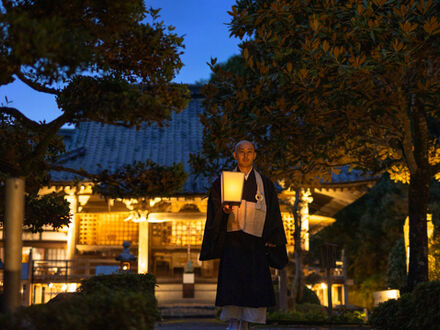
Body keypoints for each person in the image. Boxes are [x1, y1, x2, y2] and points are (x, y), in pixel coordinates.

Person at [200, 140, 288, 330]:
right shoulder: (222, 182)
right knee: (233, 285)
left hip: (256, 244)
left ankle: (247, 323)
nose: (246, 155)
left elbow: (273, 213)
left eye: (250, 152)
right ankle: (232, 322)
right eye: (242, 152)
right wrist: (223, 210)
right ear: (235, 155)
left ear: (255, 155)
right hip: (233, 242)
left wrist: (273, 238)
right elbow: (214, 210)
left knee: (254, 286)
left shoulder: (265, 184)